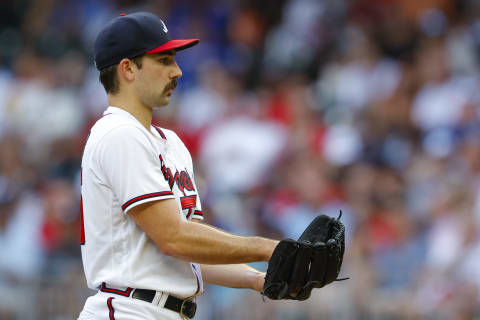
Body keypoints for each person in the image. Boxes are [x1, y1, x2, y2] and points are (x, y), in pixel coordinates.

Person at [77, 12, 279, 320]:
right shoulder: (119, 133)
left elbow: (192, 248)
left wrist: (257, 279)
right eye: (164, 60)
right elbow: (174, 238)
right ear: (128, 68)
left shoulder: (169, 142)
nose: (177, 71)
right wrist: (269, 249)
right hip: (130, 309)